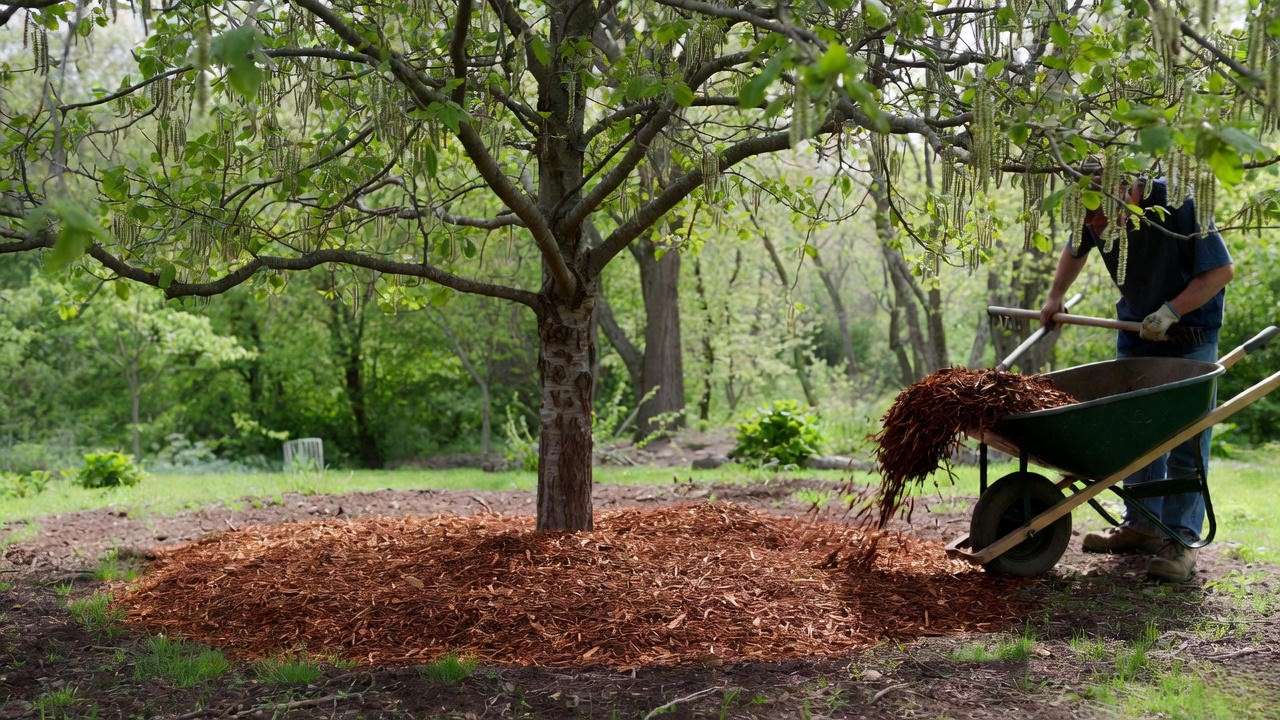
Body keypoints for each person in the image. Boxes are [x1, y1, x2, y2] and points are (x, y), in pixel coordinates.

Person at [1039, 175, 1234, 582]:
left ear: (1128, 191)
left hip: (1189, 335)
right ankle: (1142, 525)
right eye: (1089, 219)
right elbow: (1075, 248)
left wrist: (1170, 313)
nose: (1095, 227)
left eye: (1101, 218)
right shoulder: (1094, 202)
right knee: (1134, 429)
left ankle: (1180, 540)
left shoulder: (1180, 204)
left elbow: (1219, 272)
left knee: (1186, 438)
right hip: (1135, 332)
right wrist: (1055, 294)